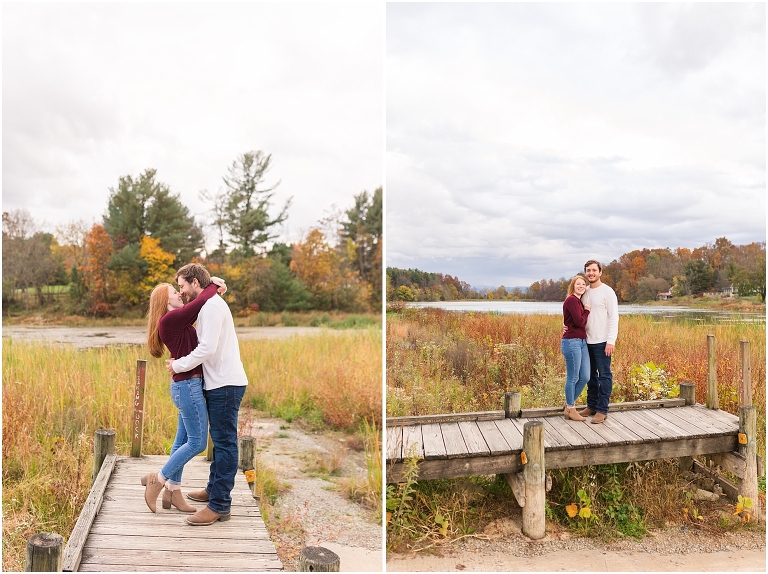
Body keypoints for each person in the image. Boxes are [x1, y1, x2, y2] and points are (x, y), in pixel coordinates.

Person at [165, 263, 249, 526]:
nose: (181, 291)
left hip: (225, 384)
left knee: (224, 444)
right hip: (218, 383)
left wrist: (178, 365)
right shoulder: (207, 304)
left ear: (194, 282)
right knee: (220, 442)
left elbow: (207, 349)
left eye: (182, 286)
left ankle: (219, 505)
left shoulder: (211, 306)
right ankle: (213, 490)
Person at [142, 276, 226, 513]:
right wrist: (214, 284)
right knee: (197, 442)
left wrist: (214, 289)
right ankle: (158, 479)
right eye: (174, 292)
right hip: (187, 387)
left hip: (187, 386)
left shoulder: (176, 320)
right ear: (164, 301)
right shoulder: (169, 319)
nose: (179, 294)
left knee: (181, 441)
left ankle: (173, 492)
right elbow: (200, 302)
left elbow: (201, 307)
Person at [579, 259, 619, 424]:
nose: (591, 273)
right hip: (586, 342)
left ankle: (602, 410)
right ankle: (592, 405)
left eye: (594, 270)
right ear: (585, 272)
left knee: (604, 376)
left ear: (600, 272)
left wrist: (611, 341)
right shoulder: (584, 291)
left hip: (603, 342)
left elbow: (614, 317)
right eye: (588, 270)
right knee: (590, 376)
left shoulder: (607, 292)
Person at [561, 275, 591, 421]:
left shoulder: (578, 301)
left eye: (583, 284)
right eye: (578, 284)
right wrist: (587, 311)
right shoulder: (572, 300)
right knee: (573, 377)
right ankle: (571, 409)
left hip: (582, 342)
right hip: (571, 342)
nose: (581, 286)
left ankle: (568, 404)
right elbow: (579, 322)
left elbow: (572, 320)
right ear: (573, 285)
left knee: (585, 376)